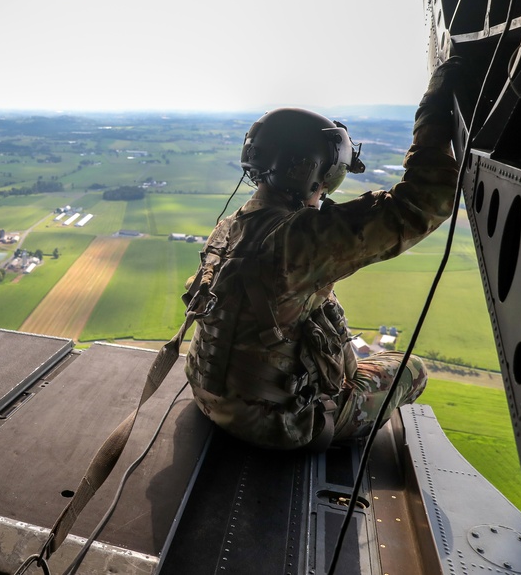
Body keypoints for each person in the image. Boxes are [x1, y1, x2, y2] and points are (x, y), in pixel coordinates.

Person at [183, 57, 461, 450]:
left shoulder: (232, 225)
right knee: (410, 368)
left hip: (209, 397)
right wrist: (433, 110)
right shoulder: (301, 239)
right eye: (331, 176)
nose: (327, 189)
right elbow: (422, 203)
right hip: (276, 425)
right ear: (308, 171)